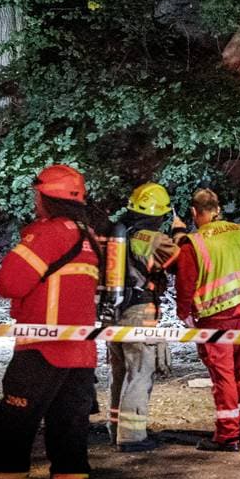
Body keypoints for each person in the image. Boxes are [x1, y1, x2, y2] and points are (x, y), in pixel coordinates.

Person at [0, 164, 101, 479]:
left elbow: (9, 282)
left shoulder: (49, 235)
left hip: (42, 351)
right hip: (80, 355)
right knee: (69, 435)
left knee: (9, 433)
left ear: (44, 197)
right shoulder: (89, 237)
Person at [174, 188, 240, 452]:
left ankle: (228, 435)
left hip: (215, 318)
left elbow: (186, 283)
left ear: (194, 213)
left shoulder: (193, 243)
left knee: (223, 375)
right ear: (219, 208)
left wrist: (184, 314)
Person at [106, 182, 187, 452]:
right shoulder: (151, 238)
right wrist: (179, 234)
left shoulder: (115, 233)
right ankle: (132, 436)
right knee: (140, 371)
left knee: (119, 372)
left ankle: (116, 428)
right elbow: (180, 262)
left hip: (111, 311)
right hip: (139, 311)